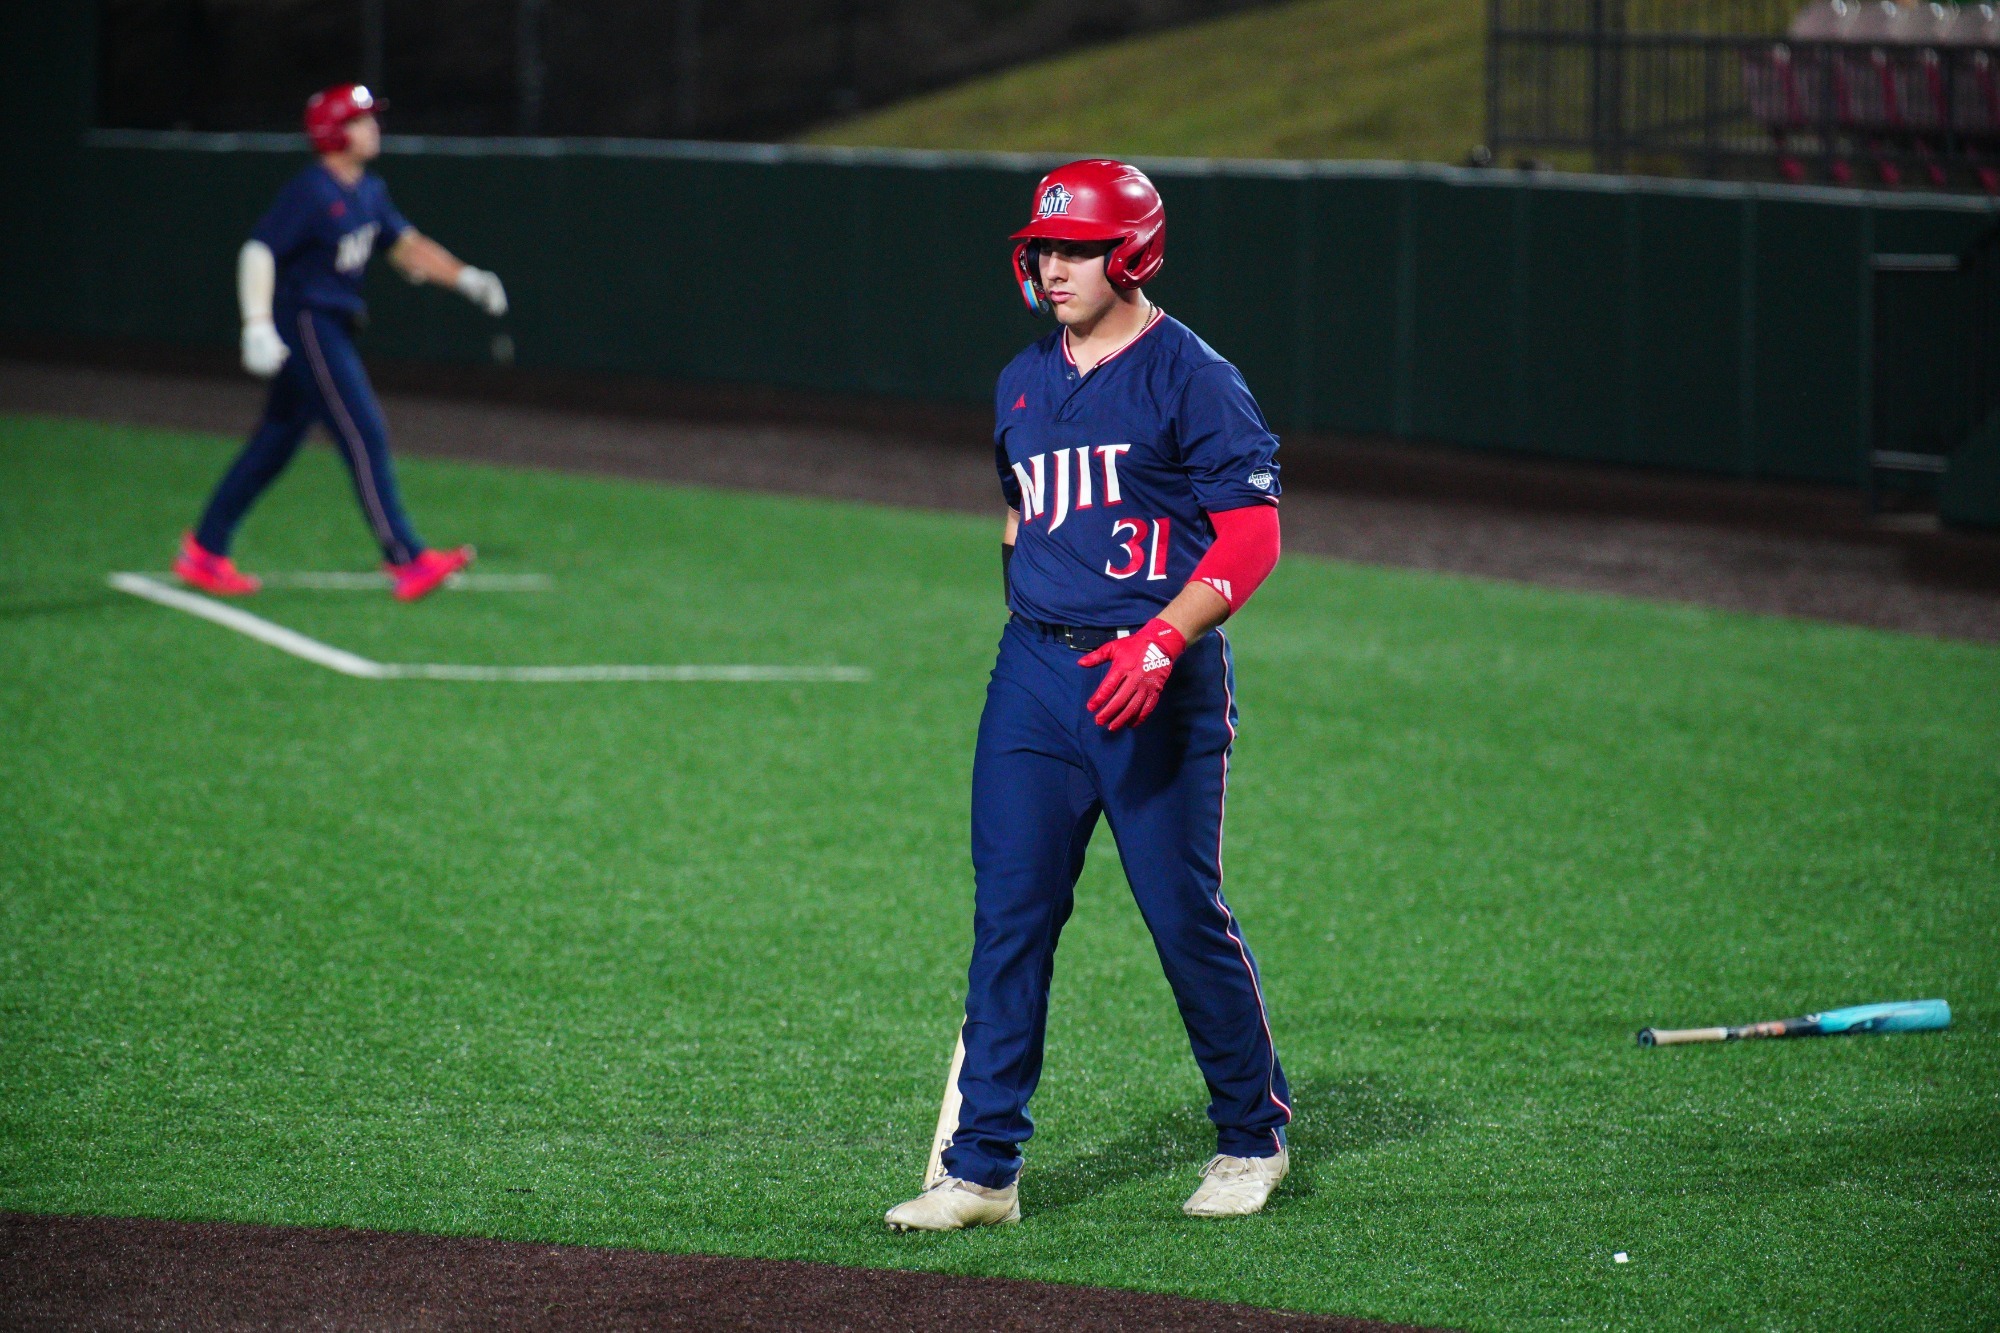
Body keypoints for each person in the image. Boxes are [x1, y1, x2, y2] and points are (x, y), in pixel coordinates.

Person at [887, 160, 1291, 1231]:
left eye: (1075, 248)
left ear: (1133, 254)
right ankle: (981, 1172)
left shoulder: (1192, 375)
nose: (1052, 264)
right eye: (1045, 247)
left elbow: (1252, 535)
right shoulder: (1021, 378)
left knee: (1179, 916)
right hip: (1034, 675)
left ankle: (1251, 1135)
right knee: (1009, 917)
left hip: (1155, 676)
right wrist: (1036, 611)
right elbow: (1020, 511)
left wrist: (1160, 641)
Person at [173, 84, 509, 602]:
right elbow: (259, 250)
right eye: (360, 120)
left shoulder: (368, 191)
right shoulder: (311, 191)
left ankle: (204, 550)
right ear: (333, 131)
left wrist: (467, 278)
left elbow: (408, 249)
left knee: (276, 442)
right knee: (363, 430)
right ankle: (406, 557)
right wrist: (256, 323)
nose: (373, 128)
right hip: (307, 322)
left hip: (330, 323)